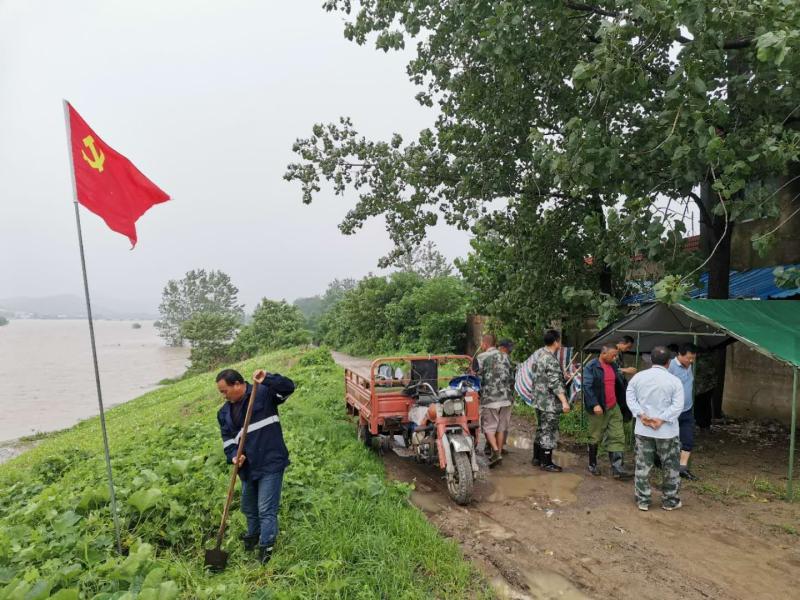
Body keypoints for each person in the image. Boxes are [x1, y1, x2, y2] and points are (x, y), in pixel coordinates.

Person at [216, 367, 295, 563]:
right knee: (249, 508)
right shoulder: (223, 413)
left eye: (224, 391)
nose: (224, 396)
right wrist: (234, 456)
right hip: (247, 468)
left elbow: (288, 387)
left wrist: (267, 377)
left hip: (270, 461)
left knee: (266, 509)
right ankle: (253, 537)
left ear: (237, 384)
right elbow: (228, 440)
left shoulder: (263, 393)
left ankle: (266, 548)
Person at [625, 346, 684, 511]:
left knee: (643, 465)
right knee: (670, 467)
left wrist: (641, 414)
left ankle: (642, 500)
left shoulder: (638, 377)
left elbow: (630, 397)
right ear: (668, 362)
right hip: (667, 432)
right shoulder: (674, 381)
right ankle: (670, 501)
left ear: (651, 360)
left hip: (643, 429)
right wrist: (662, 419)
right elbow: (678, 406)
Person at [582, 345, 632, 479]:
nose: (615, 358)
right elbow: (587, 386)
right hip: (599, 407)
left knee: (617, 435)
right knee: (595, 435)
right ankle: (592, 464)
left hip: (614, 406)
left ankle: (617, 468)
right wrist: (594, 404)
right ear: (603, 354)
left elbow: (619, 383)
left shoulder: (613, 366)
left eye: (616, 355)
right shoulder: (591, 367)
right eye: (613, 355)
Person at [531, 330, 570, 472]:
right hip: (549, 403)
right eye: (559, 340)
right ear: (555, 342)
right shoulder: (551, 359)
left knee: (541, 428)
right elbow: (555, 383)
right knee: (549, 431)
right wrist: (564, 402)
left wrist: (562, 375)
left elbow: (542, 377)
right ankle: (546, 462)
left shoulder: (540, 355)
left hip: (539, 400)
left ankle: (537, 458)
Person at [475, 334, 514, 466]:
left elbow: (476, 377)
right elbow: (511, 377)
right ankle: (498, 452)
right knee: (501, 427)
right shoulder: (506, 357)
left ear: (484, 343)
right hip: (506, 398)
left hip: (490, 399)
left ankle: (496, 452)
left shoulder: (481, 357)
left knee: (489, 427)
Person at [668, 343, 699, 480]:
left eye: (693, 358)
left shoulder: (689, 365)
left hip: (687, 410)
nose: (691, 361)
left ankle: (682, 468)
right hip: (672, 411)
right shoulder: (670, 366)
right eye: (688, 358)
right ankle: (665, 466)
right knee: (668, 440)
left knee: (688, 440)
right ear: (679, 355)